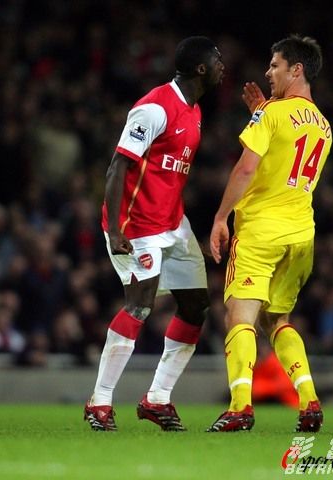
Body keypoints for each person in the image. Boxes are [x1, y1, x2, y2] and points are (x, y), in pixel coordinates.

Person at [84, 36, 225, 431]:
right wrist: (116, 229)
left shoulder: (194, 110)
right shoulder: (153, 109)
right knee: (140, 304)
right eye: (217, 60)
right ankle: (99, 402)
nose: (222, 66)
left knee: (196, 306)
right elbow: (117, 168)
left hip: (174, 224)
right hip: (138, 225)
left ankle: (157, 399)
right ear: (200, 68)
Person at [207, 35, 332, 432]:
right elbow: (287, 156)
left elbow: (247, 168)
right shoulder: (324, 125)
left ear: (296, 69)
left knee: (239, 316)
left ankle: (240, 407)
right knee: (277, 319)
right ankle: (309, 401)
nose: (268, 72)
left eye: (275, 65)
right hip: (302, 236)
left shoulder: (271, 113)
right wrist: (263, 111)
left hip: (261, 231)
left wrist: (221, 217)